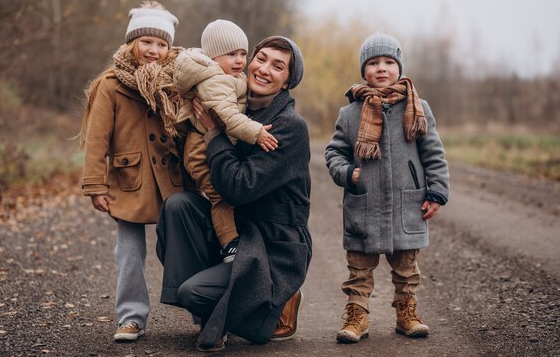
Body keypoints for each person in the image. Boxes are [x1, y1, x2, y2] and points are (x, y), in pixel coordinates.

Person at [156, 36, 311, 352]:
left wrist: (214, 132)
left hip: (271, 245)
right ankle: (213, 314)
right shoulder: (239, 106)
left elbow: (238, 187)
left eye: (277, 66)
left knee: (193, 293)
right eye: (261, 58)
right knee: (178, 207)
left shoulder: (288, 126)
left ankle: (277, 304)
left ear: (287, 81)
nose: (264, 69)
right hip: (238, 229)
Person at [324, 31, 449, 343]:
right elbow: (333, 153)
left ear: (400, 68)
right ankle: (357, 317)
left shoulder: (418, 107)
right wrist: (348, 173)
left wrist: (436, 191)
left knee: (407, 270)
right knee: (359, 271)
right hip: (364, 205)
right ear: (364, 71)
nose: (382, 68)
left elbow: (433, 153)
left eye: (389, 62)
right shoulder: (350, 113)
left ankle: (407, 314)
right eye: (374, 62)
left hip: (408, 204)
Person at [79, 0, 187, 342]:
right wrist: (96, 184)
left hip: (173, 180)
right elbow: (97, 139)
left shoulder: (179, 80)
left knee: (184, 245)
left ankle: (202, 308)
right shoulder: (110, 84)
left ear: (169, 47)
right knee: (128, 252)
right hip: (130, 180)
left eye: (161, 44)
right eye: (146, 42)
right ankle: (131, 316)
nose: (153, 50)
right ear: (132, 43)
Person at [174, 19, 278, 264]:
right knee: (221, 196)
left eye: (243, 53)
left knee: (221, 194)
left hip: (208, 143)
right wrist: (256, 131)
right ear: (213, 57)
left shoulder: (227, 76)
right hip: (200, 148)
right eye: (231, 54)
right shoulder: (215, 81)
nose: (240, 60)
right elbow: (228, 117)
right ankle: (229, 243)